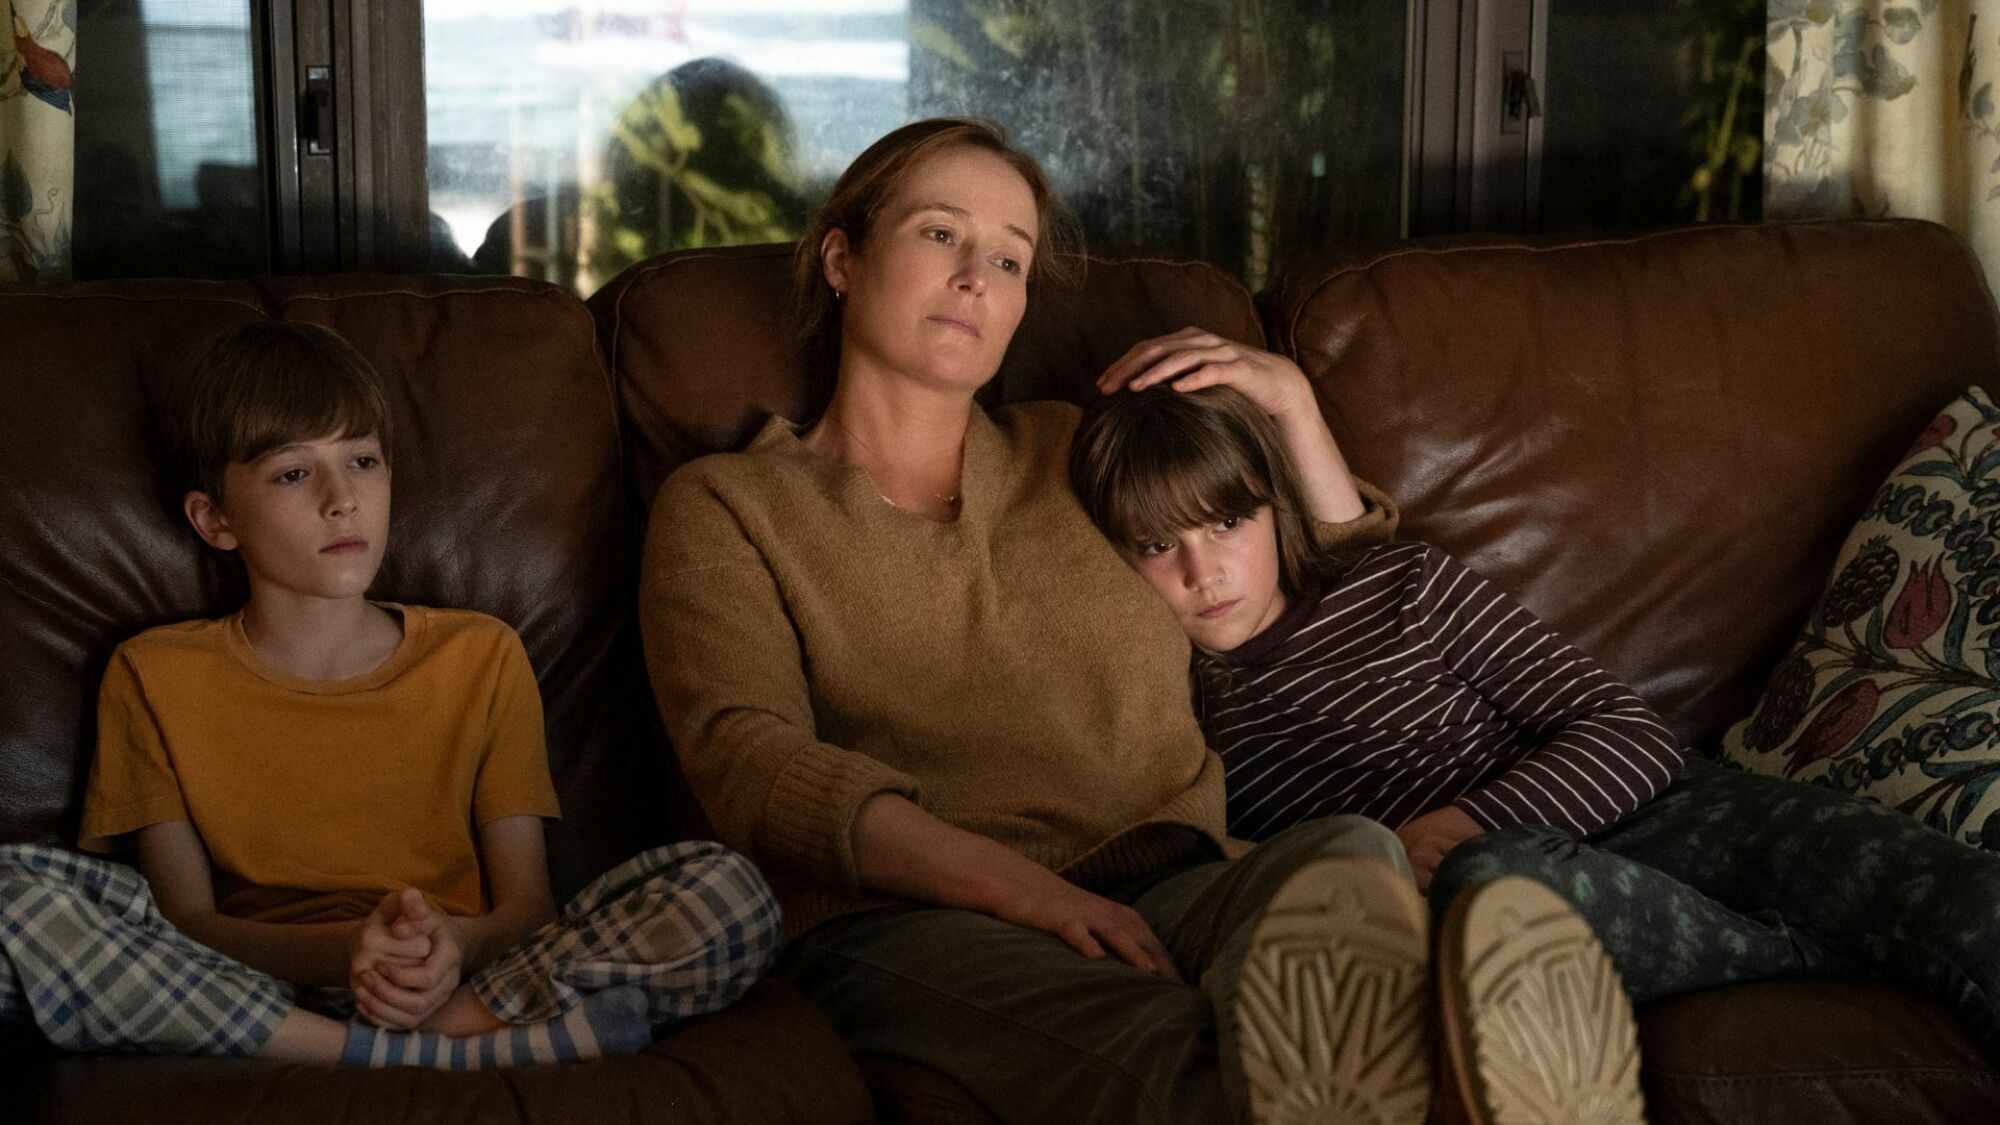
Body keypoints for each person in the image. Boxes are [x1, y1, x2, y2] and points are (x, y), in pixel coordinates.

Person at [640, 116, 1643, 1125]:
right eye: (939, 234)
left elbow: (1292, 582)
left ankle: (1448, 1057)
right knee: (1191, 1059)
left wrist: (1290, 402)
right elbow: (751, 762)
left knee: (1349, 859)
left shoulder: (1069, 453)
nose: (973, 277)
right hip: (910, 925)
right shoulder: (727, 506)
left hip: (1187, 879)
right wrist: (1029, 893)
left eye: (1006, 257)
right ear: (842, 257)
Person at [1067, 373, 2000, 1061]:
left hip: (1670, 807)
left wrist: (1460, 817)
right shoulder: (1186, 719)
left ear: (1273, 509)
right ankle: (1811, 959)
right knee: (1492, 889)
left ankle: (1837, 943)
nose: (1204, 571)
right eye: (1159, 545)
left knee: (1968, 903)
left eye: (1226, 523)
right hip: (1517, 887)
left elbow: (1631, 733)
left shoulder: (1401, 583)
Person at [0, 321, 781, 1068]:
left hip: (460, 974)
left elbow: (525, 909)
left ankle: (428, 1032)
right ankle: (421, 1053)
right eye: (293, 472)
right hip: (252, 983)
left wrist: (445, 946)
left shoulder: (481, 655)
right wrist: (345, 950)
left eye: (364, 461)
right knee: (13, 899)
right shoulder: (151, 673)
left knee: (728, 891)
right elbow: (186, 924)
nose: (342, 498)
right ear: (214, 519)